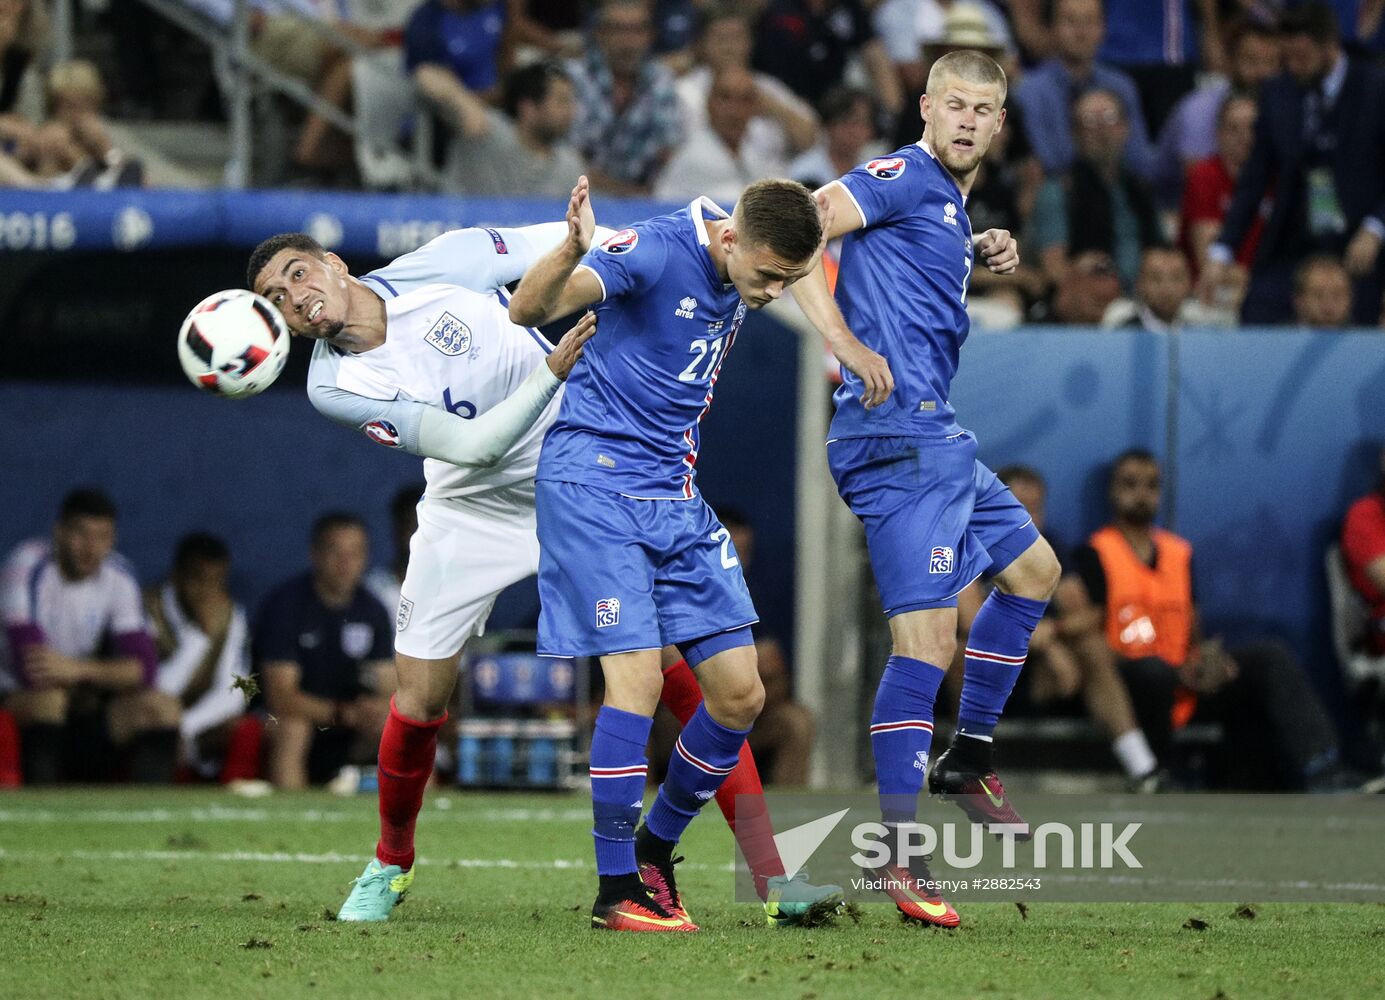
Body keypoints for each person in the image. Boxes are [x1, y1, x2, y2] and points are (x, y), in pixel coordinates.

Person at [248, 209, 844, 929]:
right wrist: (548, 373)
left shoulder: (449, 260)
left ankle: (772, 872)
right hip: (467, 506)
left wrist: (609, 238)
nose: (294, 296)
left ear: (335, 263)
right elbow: (469, 448)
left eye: (298, 273)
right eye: (276, 298)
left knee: (671, 665)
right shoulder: (333, 385)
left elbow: (580, 247)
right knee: (420, 698)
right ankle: (392, 860)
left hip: (581, 469)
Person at [506, 176, 874, 932]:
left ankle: (652, 849)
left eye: (785, 279)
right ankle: (615, 892)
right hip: (594, 482)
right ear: (729, 241)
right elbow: (527, 308)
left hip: (672, 492)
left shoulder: (753, 249)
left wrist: (837, 336)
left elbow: (800, 254)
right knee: (636, 683)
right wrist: (571, 249)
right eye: (766, 276)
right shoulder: (651, 250)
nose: (770, 293)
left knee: (741, 696)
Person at [791, 49, 1060, 927]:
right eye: (954, 103)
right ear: (924, 107)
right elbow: (798, 227)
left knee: (1033, 575)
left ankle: (969, 753)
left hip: (934, 437)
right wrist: (844, 345)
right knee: (924, 645)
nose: (969, 119)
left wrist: (972, 249)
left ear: (1000, 123)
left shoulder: (944, 204)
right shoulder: (902, 174)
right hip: (890, 440)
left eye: (985, 108)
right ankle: (898, 858)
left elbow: (910, 268)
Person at [1067, 449, 1344, 790]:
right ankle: (1155, 773)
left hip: (1185, 681)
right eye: (1130, 484)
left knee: (1269, 658)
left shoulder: (1179, 552)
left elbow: (1192, 624)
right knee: (1154, 672)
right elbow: (1090, 641)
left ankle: (1323, 766)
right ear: (1112, 490)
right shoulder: (1095, 553)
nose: (1141, 495)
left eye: (1151, 485)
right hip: (1134, 682)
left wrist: (1204, 661)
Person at [1204, 3, 1385, 325]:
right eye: (1286, 59)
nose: (1292, 67)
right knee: (1258, 310)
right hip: (1294, 241)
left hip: (1359, 246)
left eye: (1301, 58)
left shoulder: (1375, 89)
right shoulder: (1278, 92)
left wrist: (1376, 228)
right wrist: (1222, 250)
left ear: (1329, 44)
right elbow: (1255, 179)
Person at [0, 488, 174, 784]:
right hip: (21, 704)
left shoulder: (118, 575)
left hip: (82, 701)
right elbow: (33, 670)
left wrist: (80, 671)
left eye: (102, 537)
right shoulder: (26, 565)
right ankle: (41, 807)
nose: (90, 548)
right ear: (59, 532)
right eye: (81, 534)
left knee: (162, 708)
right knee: (49, 700)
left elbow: (145, 669)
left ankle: (147, 815)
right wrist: (102, 675)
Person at [254, 513, 393, 790]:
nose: (345, 563)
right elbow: (281, 698)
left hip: (350, 724)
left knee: (404, 730)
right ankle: (290, 819)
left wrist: (376, 709)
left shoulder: (372, 610)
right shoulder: (286, 607)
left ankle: (418, 820)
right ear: (314, 554)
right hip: (283, 721)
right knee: (293, 728)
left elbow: (389, 686)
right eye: (335, 551)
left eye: (355, 553)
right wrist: (341, 714)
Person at [1029, 87, 1163, 294]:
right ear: (1074, 134)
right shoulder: (1059, 191)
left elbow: (1161, 250)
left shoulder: (1141, 188)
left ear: (1126, 127)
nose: (1102, 131)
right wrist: (1082, 271)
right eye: (1090, 122)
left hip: (1148, 298)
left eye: (1110, 119)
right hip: (1092, 307)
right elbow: (1054, 270)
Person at [145, 533, 255, 781]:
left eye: (216, 581)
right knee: (157, 713)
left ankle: (231, 801)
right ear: (177, 577)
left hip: (195, 722)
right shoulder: (150, 607)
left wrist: (185, 728)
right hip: (153, 719)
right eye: (198, 580)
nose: (208, 591)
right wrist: (200, 638)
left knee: (246, 728)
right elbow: (158, 688)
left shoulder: (230, 613)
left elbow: (236, 689)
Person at [1011, 0, 1158, 182]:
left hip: (1116, 189)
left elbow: (1139, 160)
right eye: (1071, 21)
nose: (1081, 32)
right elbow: (1047, 161)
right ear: (1053, 28)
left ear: (1103, 28)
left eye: (1090, 21)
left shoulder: (1122, 87)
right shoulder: (1030, 92)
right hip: (1061, 194)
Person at [1156, 18, 1280, 203]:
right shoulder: (1198, 109)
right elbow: (1199, 187)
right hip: (1178, 207)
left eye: (1271, 62)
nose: (1262, 72)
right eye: (1251, 60)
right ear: (1229, 62)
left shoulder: (1284, 106)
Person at [565, 0, 682, 195]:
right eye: (618, 30)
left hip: (646, 199)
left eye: (636, 30)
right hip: (577, 195)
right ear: (599, 34)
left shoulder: (662, 82)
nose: (627, 41)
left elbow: (668, 152)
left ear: (650, 36)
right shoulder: (573, 79)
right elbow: (565, 154)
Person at [443, 61, 586, 197]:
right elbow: (427, 74)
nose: (571, 111)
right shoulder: (488, 132)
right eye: (562, 101)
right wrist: (466, 106)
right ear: (528, 108)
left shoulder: (569, 165)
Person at [654, 67, 786, 203]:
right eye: (725, 98)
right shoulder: (695, 156)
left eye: (745, 100)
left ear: (755, 107)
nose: (734, 111)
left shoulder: (756, 152)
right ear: (709, 104)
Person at [1178, 91, 1262, 290]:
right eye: (1234, 129)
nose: (1245, 138)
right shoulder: (1204, 175)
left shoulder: (1278, 179)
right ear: (1218, 134)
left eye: (1253, 128)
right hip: (1211, 292)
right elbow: (1209, 261)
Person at [1101, 246, 1235, 331]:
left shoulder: (1200, 333)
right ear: (1139, 284)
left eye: (1176, 278)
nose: (1167, 288)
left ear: (1190, 284)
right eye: (1155, 278)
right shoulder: (1122, 331)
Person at [1293, 253, 1354, 329]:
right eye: (1318, 296)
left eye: (1337, 296)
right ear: (1299, 300)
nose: (1328, 306)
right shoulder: (1278, 338)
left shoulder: (1364, 339)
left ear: (1350, 299)